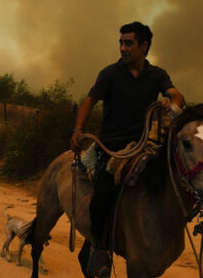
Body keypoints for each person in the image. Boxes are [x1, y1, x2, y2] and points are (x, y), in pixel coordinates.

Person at [70, 21, 184, 278]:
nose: (122, 48)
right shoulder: (110, 74)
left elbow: (178, 96)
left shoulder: (157, 75)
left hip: (143, 145)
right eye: (121, 42)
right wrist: (78, 129)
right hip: (109, 147)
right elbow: (89, 101)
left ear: (144, 46)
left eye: (128, 43)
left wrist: (170, 101)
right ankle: (99, 246)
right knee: (102, 191)